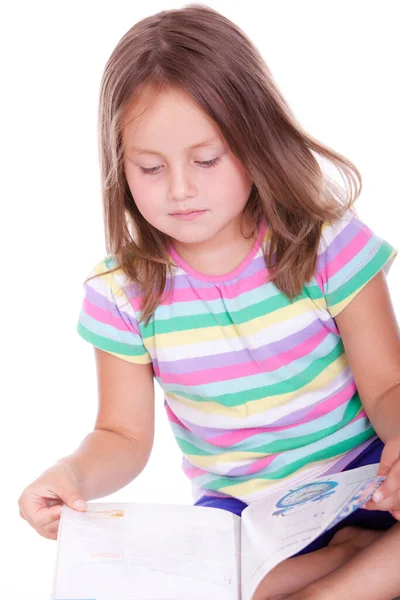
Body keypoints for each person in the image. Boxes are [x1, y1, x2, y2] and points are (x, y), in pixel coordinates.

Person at [18, 4, 400, 599]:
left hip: (364, 475)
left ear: (255, 140)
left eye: (206, 159)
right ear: (121, 168)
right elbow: (121, 435)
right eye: (150, 167)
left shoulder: (327, 244)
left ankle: (339, 580)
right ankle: (359, 568)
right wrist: (71, 474)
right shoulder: (122, 293)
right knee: (234, 586)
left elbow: (387, 388)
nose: (180, 189)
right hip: (247, 514)